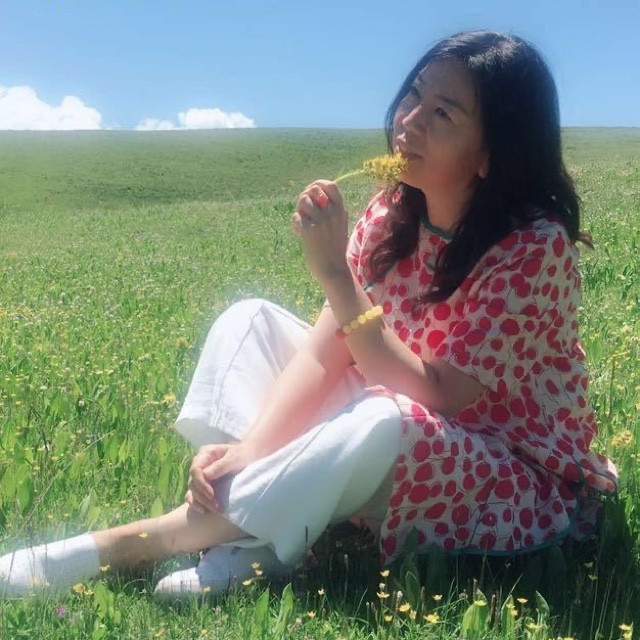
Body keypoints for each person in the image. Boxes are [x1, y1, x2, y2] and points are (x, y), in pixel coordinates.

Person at [0, 30, 618, 598]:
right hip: (390, 414)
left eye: (443, 114)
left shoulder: (534, 249)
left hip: (501, 469)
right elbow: (327, 351)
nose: (409, 121)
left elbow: (438, 394)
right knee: (248, 321)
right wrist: (248, 449)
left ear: (491, 153)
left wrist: (336, 277)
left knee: (385, 419)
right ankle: (257, 533)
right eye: (414, 95)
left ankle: (140, 542)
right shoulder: (391, 212)